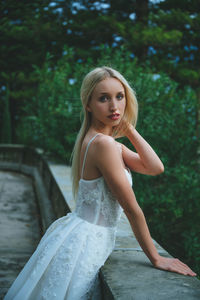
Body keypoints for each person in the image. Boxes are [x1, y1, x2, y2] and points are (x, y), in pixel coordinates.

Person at [4, 66, 196, 300]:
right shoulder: (103, 145)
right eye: (103, 98)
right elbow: (131, 208)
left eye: (119, 96)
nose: (114, 107)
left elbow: (155, 168)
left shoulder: (106, 142)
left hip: (78, 233)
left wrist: (130, 130)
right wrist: (156, 257)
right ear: (88, 104)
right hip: (86, 242)